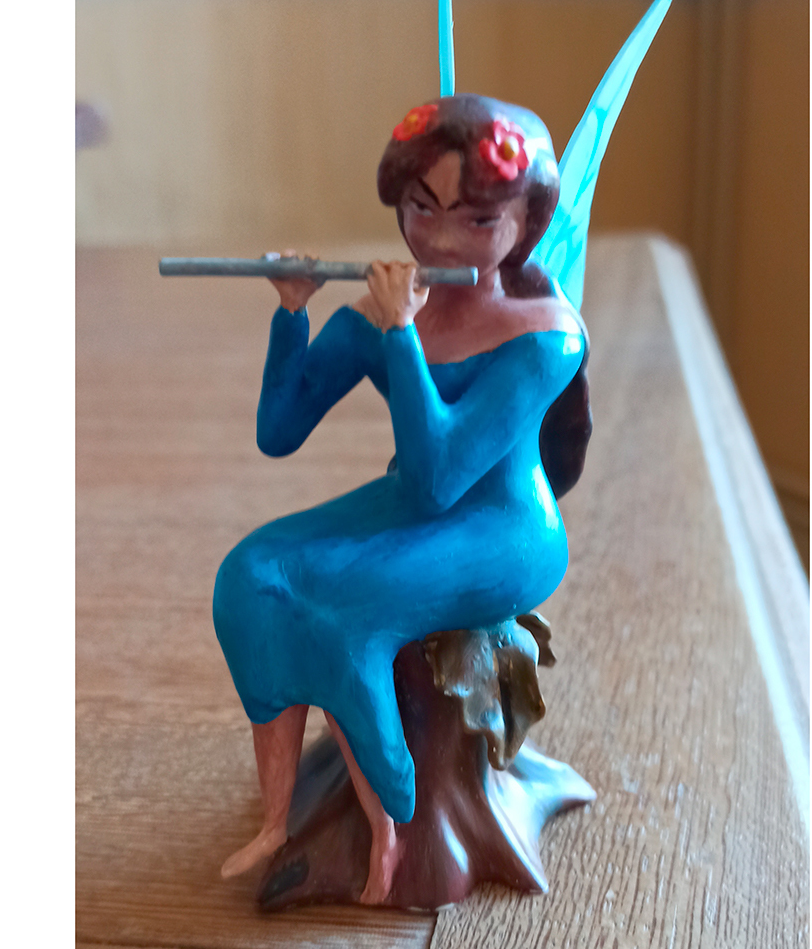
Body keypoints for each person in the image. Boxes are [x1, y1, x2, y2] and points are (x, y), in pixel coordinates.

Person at [212, 93, 591, 902]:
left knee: (342, 606)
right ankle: (276, 818)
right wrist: (292, 312)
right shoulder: (390, 307)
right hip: (413, 508)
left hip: (504, 530)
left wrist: (400, 336)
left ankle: (394, 822)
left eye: (476, 219)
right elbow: (279, 429)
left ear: (526, 220)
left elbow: (440, 476)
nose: (442, 239)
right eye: (422, 210)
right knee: (251, 571)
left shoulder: (545, 334)